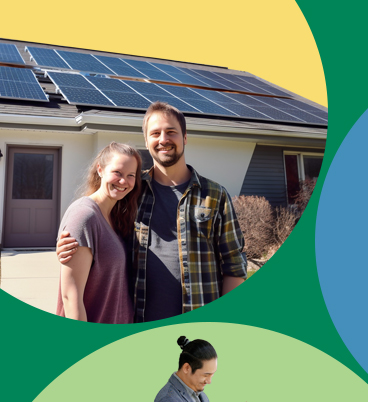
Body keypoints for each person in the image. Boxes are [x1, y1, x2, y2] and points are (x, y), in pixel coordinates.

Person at [57, 101, 247, 322]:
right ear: (147, 142)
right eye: (155, 133)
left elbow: (234, 264)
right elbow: (102, 235)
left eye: (171, 132)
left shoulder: (215, 195)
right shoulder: (131, 192)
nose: (163, 139)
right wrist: (72, 248)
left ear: (185, 138)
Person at [55, 142, 141, 324]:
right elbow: (71, 297)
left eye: (130, 175)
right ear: (100, 170)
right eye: (117, 172)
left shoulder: (116, 217)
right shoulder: (84, 215)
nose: (123, 181)